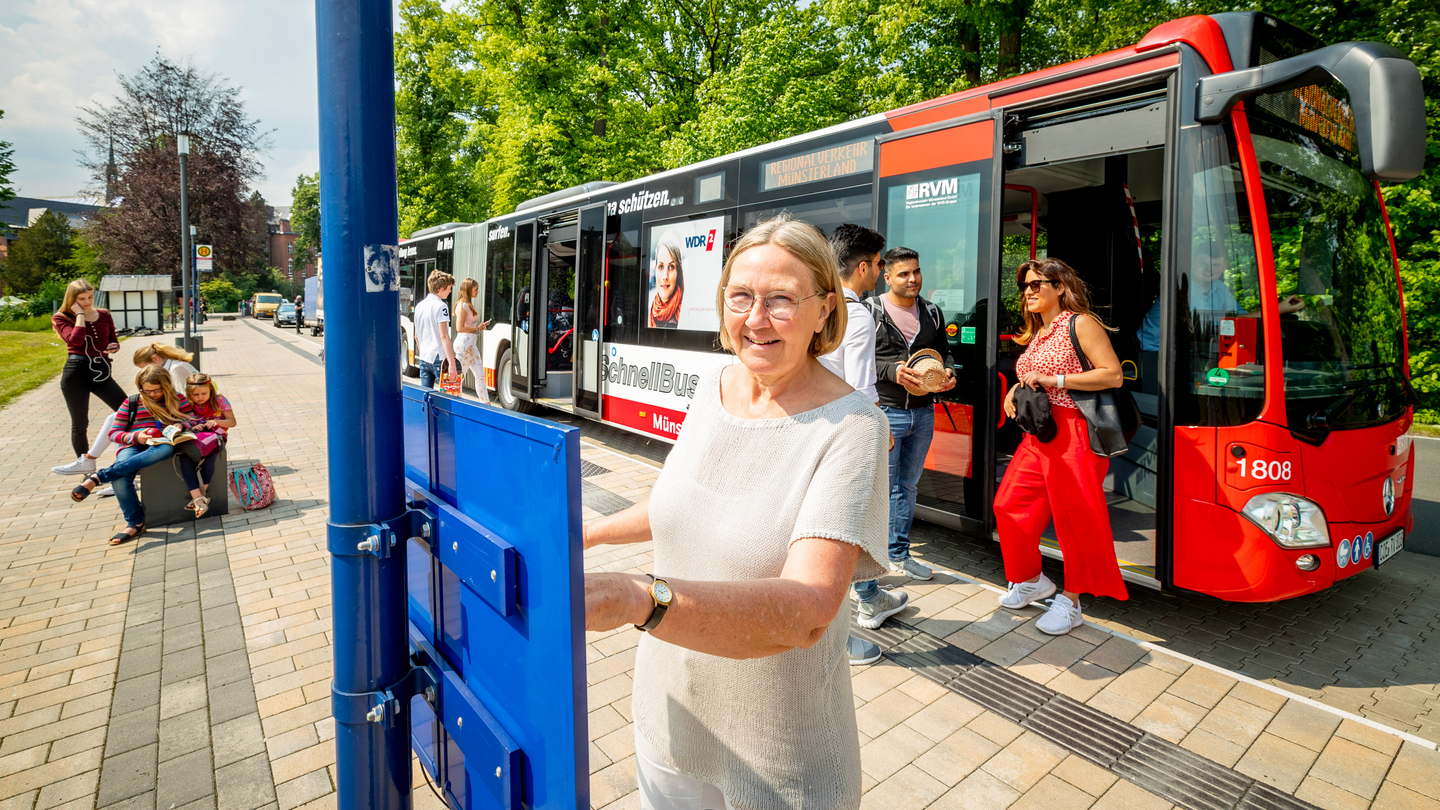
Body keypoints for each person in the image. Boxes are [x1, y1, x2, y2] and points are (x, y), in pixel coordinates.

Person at [584, 215, 889, 810]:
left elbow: (807, 610)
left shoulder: (853, 427)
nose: (755, 319)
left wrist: (638, 597)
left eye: (781, 299)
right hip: (669, 721)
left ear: (825, 307)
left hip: (777, 756)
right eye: (741, 297)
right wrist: (587, 533)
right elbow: (683, 503)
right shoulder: (712, 387)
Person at [997, 257, 1128, 635]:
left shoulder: (1080, 323)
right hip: (1039, 435)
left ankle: (1071, 601)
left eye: (1038, 284)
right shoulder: (1038, 332)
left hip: (1075, 435)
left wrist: (1054, 379)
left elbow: (1113, 374)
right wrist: (1016, 392)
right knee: (1009, 506)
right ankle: (1032, 580)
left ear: (1060, 287)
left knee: (1077, 520)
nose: (1029, 291)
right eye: (1026, 286)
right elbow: (1032, 376)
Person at [819, 224, 906, 665]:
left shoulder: (819, 306)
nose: (880, 272)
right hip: (846, 430)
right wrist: (882, 425)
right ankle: (840, 634)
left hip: (815, 426)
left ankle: (859, 605)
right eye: (878, 264)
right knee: (846, 528)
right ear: (864, 266)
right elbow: (860, 384)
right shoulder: (857, 314)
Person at [865, 247, 955, 583]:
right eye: (904, 274)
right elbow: (852, 361)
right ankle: (872, 563)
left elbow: (946, 353)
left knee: (908, 487)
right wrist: (891, 371)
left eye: (916, 271)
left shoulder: (932, 312)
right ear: (886, 277)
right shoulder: (869, 311)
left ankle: (900, 554)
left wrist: (949, 372)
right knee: (882, 490)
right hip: (886, 411)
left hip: (923, 413)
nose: (913, 279)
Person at [70, 366, 195, 545]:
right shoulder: (133, 402)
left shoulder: (177, 400)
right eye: (147, 390)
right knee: (120, 478)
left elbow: (192, 419)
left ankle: (98, 477)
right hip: (134, 444)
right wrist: (136, 436)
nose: (151, 394)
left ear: (166, 386)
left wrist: (182, 426)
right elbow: (113, 433)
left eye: (156, 390)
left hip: (163, 444)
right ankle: (135, 523)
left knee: (165, 450)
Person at [54, 342, 197, 498]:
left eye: (144, 368)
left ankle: (100, 471)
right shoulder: (172, 367)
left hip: (181, 420)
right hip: (168, 419)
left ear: (155, 359)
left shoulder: (176, 369)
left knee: (119, 420)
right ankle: (95, 461)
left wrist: (178, 423)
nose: (145, 372)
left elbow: (188, 400)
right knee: (118, 420)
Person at [1136, 250, 1304, 351]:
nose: (1209, 269)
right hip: (1155, 354)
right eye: (1203, 263)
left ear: (1225, 265)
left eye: (1215, 265)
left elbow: (1242, 318)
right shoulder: (1183, 290)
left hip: (1192, 349)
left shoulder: (1220, 288)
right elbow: (1221, 325)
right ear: (1192, 264)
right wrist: (1276, 310)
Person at [52, 280, 127, 477]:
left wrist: (113, 347)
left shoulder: (104, 314)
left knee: (128, 411)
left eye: (90, 297)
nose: (87, 302)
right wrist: (79, 315)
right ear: (72, 299)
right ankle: (85, 468)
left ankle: (129, 460)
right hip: (76, 372)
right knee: (80, 423)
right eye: (81, 299)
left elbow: (114, 341)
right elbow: (75, 340)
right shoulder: (61, 318)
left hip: (101, 370)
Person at [176, 373, 238, 518]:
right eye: (195, 394)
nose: (200, 397)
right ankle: (199, 498)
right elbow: (183, 421)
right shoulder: (185, 403)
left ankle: (199, 496)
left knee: (212, 456)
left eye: (204, 393)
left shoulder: (219, 400)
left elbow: (232, 422)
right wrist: (192, 427)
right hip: (195, 438)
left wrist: (217, 422)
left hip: (215, 437)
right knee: (184, 458)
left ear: (211, 389)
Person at [413, 270, 458, 389]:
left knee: (426, 397)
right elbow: (444, 336)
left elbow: (416, 336)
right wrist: (452, 363)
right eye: (449, 288)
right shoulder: (441, 306)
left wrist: (424, 353)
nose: (450, 291)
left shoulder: (419, 306)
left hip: (424, 357)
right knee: (448, 396)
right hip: (439, 358)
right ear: (441, 289)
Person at [453, 278, 491, 404]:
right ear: (469, 289)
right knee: (459, 377)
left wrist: (479, 326)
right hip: (464, 345)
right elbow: (459, 328)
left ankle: (486, 404)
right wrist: (477, 327)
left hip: (471, 345)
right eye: (475, 289)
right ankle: (454, 401)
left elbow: (466, 325)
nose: (478, 291)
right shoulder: (463, 305)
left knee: (480, 375)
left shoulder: (467, 304)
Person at [647, 238, 684, 328]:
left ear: (678, 272)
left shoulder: (685, 312)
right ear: (655, 270)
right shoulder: (651, 311)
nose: (665, 276)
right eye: (661, 267)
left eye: (671, 267)